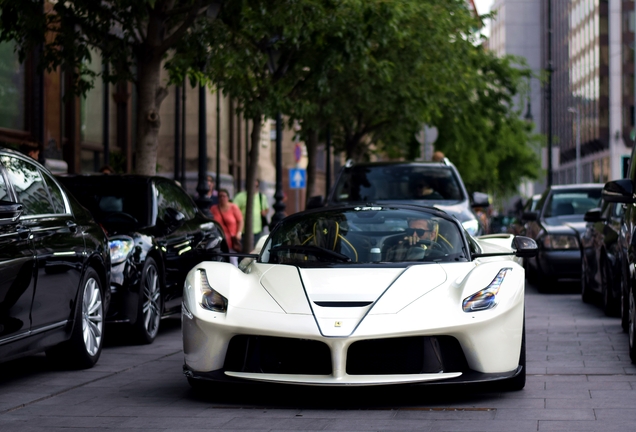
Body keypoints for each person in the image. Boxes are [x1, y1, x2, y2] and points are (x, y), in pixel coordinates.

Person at [210, 189, 243, 266]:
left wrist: (239, 233)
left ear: (228, 197)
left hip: (231, 240)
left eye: (224, 196)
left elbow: (240, 221)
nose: (222, 198)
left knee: (233, 260)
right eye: (220, 196)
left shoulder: (233, 207)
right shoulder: (213, 208)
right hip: (219, 240)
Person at [233, 179, 270, 244]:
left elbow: (266, 208)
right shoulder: (240, 196)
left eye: (256, 186)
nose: (254, 188)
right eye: (252, 186)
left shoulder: (261, 196)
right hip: (243, 229)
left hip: (257, 229)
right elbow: (233, 208)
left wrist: (264, 212)